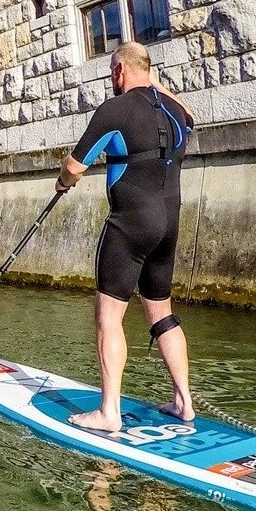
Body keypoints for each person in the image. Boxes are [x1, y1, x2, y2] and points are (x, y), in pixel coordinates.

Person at [56, 41, 195, 432]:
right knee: (162, 312)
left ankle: (108, 412)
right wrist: (153, 81)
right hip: (169, 224)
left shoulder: (114, 110)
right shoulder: (179, 113)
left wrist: (62, 182)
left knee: (109, 316)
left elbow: (75, 164)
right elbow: (187, 111)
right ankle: (184, 402)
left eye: (111, 76)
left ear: (119, 72)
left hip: (130, 224)